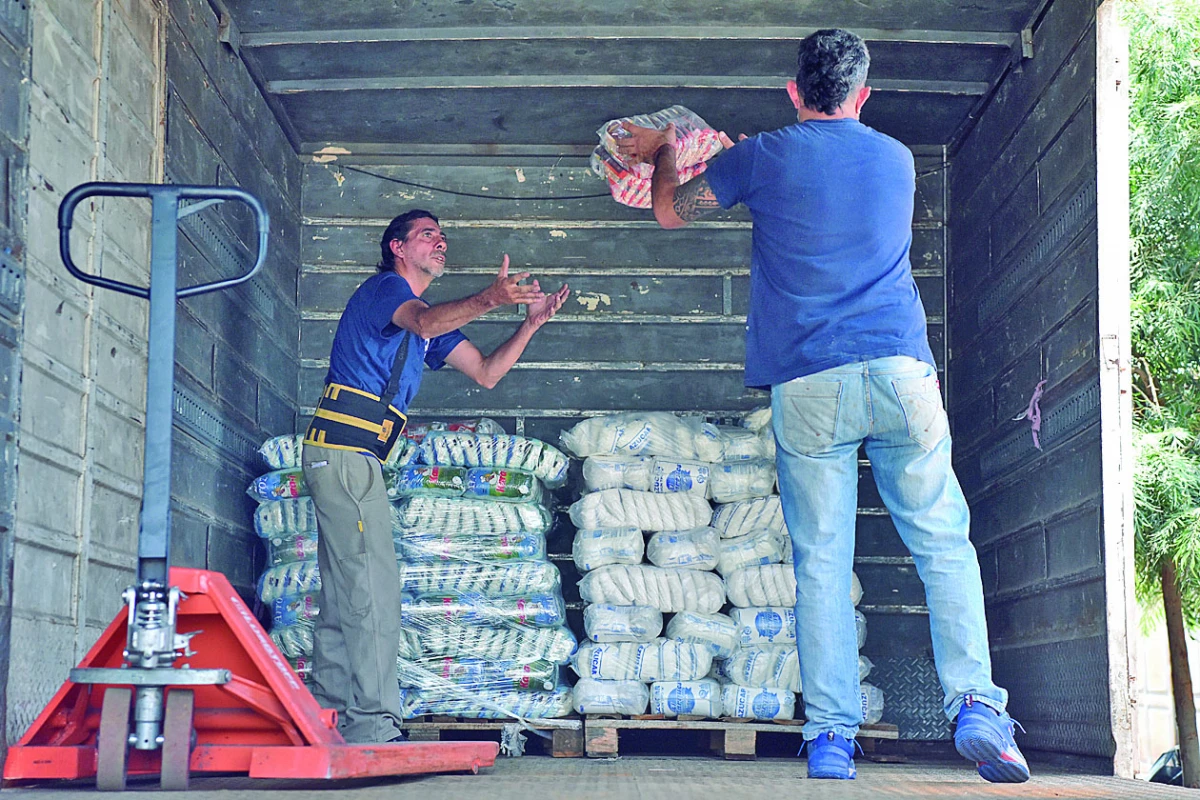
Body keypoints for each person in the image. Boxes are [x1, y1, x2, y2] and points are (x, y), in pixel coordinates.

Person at [616, 29, 1029, 784]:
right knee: (943, 542)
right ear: (863, 94)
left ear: (793, 91)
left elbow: (672, 212)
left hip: (811, 384)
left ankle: (833, 737)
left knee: (821, 563)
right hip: (904, 373)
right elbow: (830, 198)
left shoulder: (762, 157)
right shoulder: (898, 159)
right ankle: (977, 704)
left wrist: (669, 152)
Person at [300, 209, 569, 744]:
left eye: (444, 237)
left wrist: (530, 323)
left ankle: (325, 717)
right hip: (346, 452)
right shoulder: (386, 290)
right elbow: (423, 322)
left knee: (342, 594)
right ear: (398, 247)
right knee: (373, 590)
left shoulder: (428, 320)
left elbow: (487, 374)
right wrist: (492, 297)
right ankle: (373, 724)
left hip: (354, 457)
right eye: (428, 235)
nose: (441, 242)